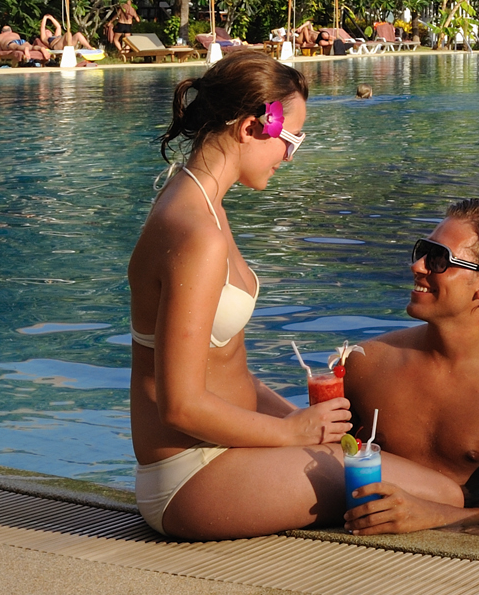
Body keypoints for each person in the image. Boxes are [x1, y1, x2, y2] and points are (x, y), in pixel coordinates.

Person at [126, 51, 458, 539]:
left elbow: (226, 370)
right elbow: (180, 405)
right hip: (191, 476)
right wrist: (290, 433)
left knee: (412, 482)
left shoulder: (197, 201)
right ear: (249, 127)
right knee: (444, 497)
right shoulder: (197, 233)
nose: (289, 156)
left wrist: (302, 422)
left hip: (221, 455)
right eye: (291, 139)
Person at [335, 199, 479, 534]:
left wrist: (434, 515)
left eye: (438, 259)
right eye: (422, 251)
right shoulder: (366, 362)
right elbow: (322, 454)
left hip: (459, 528)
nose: (417, 266)